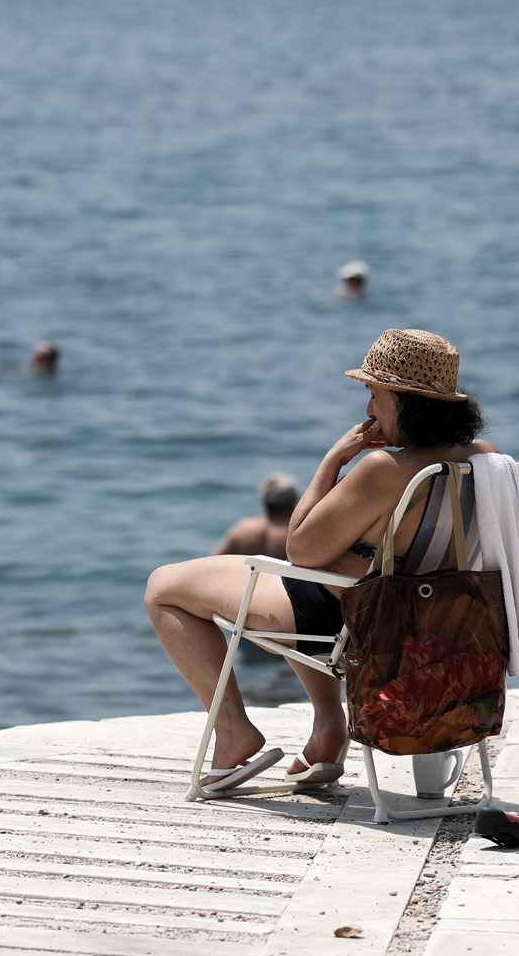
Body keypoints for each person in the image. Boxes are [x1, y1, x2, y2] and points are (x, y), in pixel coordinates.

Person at [145, 328, 496, 791]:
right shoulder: (485, 459)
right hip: (439, 621)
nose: (369, 409)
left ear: (403, 399)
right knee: (319, 576)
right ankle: (328, 729)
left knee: (164, 587)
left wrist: (332, 460)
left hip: (358, 621)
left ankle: (234, 732)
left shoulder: (383, 469)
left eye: (374, 395)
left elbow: (300, 548)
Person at [213, 473, 298, 558]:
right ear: (292, 501)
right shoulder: (293, 535)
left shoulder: (242, 528)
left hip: (246, 571)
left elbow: (214, 560)